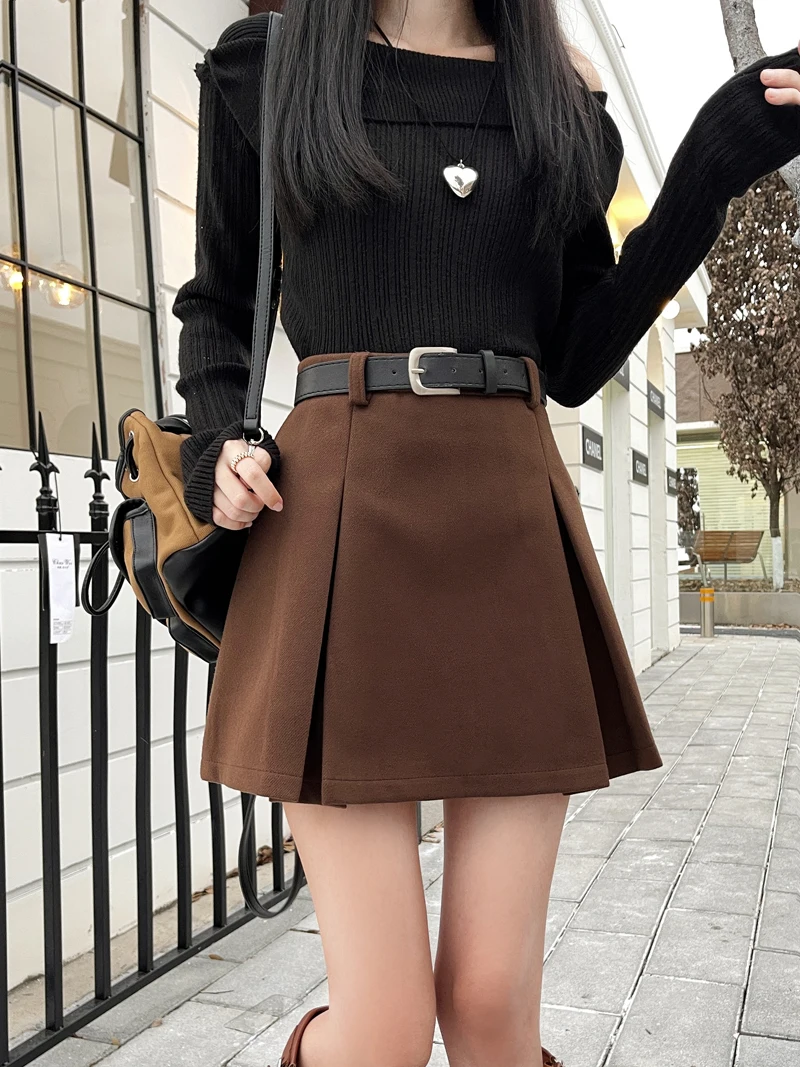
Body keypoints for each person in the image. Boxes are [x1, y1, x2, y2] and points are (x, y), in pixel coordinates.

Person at [173, 1, 800, 1063]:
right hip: (333, 521)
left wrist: (705, 171)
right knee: (383, 1027)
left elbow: (577, 356)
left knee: (490, 1004)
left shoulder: (557, 95)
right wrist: (217, 446)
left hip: (508, 518)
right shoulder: (268, 65)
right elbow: (217, 305)